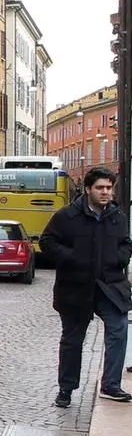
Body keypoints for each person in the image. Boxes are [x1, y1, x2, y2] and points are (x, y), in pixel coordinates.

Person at [40, 166, 132, 408]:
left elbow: (126, 243)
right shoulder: (66, 216)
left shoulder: (117, 216)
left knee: (119, 328)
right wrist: (72, 257)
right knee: (72, 340)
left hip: (109, 286)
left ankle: (111, 385)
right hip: (75, 288)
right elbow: (47, 242)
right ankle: (66, 389)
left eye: (109, 188)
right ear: (88, 189)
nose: (105, 192)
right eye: (100, 188)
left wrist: (120, 258)